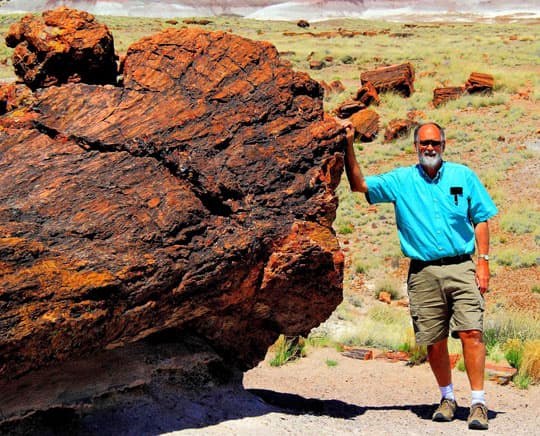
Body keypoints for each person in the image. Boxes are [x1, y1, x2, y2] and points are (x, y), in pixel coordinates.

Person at [342, 121, 498, 430]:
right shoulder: (401, 181)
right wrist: (348, 145)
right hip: (423, 272)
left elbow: (480, 218)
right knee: (434, 340)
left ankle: (478, 403)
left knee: (472, 333)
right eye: (424, 143)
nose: (429, 148)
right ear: (415, 146)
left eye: (435, 143)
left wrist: (483, 261)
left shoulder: (462, 176)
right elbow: (359, 185)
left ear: (444, 144)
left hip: (461, 266)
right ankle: (447, 398)